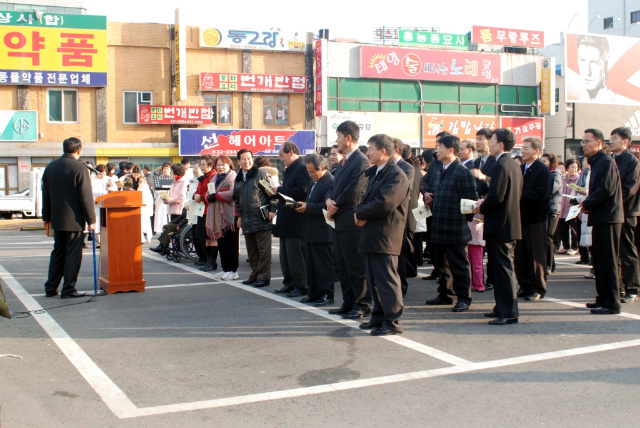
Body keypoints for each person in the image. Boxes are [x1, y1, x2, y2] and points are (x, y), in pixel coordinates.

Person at [354, 134, 410, 335]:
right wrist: (358, 212)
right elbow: (364, 198)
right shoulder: (376, 172)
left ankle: (393, 322)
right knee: (374, 281)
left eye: (370, 149)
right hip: (371, 234)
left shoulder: (396, 174)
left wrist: (361, 213)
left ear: (383, 151)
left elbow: (385, 203)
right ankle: (378, 317)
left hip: (385, 235)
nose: (367, 152)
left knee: (387, 280)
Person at [424, 134, 478, 312]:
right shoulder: (440, 169)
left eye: (440, 146)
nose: (437, 150)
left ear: (451, 150)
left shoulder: (462, 172)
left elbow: (471, 202)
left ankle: (464, 298)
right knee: (441, 263)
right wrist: (427, 195)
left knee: (459, 265)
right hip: (439, 224)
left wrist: (463, 221)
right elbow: (431, 187)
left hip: (455, 227)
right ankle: (445, 294)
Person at [473, 128, 522, 325]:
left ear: (500, 144)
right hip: (505, 223)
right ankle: (501, 307)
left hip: (502, 224)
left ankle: (508, 311)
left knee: (503, 271)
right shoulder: (511, 164)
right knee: (500, 269)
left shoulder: (502, 164)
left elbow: (496, 197)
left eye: (491, 140)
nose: (489, 144)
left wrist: (480, 206)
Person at [325, 120, 371, 319]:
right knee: (342, 265)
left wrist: (334, 204)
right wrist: (328, 200)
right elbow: (334, 187)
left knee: (355, 266)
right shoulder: (344, 161)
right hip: (338, 219)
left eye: (339, 136)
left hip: (350, 219)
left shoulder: (360, 161)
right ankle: (348, 302)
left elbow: (354, 191)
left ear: (348, 138)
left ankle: (361, 304)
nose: (337, 140)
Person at [42, 137, 97, 299]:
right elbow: (85, 196)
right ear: (79, 150)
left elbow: (45, 193)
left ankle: (50, 287)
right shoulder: (79, 168)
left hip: (57, 218)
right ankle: (68, 289)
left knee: (58, 252)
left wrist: (47, 217)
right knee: (73, 254)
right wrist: (91, 220)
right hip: (74, 219)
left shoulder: (51, 167)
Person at [580, 129, 624, 314]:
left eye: (587, 141)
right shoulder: (597, 162)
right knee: (599, 262)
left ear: (598, 143)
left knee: (608, 262)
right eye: (582, 141)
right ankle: (602, 298)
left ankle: (612, 303)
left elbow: (605, 189)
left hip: (609, 218)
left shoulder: (606, 162)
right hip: (600, 217)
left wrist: (587, 204)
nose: (583, 144)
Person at [269, 141, 311, 298]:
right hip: (286, 218)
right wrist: (276, 192)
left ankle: (301, 285)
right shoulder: (290, 169)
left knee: (295, 255)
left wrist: (280, 190)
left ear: (291, 152)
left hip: (296, 219)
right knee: (285, 255)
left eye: (282, 155)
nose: (280, 159)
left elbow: (303, 191)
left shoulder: (301, 167)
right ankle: (289, 282)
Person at [514, 138, 553, 301]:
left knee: (536, 255)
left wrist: (521, 195)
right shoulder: (521, 168)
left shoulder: (542, 170)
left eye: (527, 148)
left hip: (536, 218)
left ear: (537, 151)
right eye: (522, 148)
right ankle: (525, 285)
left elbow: (542, 194)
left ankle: (538, 287)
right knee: (520, 255)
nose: (523, 151)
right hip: (520, 217)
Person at [294, 154, 335, 306]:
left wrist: (307, 207)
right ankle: (314, 292)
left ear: (322, 168)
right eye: (308, 171)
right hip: (310, 230)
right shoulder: (314, 182)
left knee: (323, 265)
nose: (310, 175)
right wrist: (303, 204)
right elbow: (312, 201)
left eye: (312, 171)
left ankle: (326, 294)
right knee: (311, 265)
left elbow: (326, 206)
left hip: (323, 231)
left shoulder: (330, 182)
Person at [234, 149, 276, 287]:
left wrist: (272, 210)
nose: (247, 161)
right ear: (238, 161)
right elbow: (237, 199)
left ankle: (264, 277)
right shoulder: (239, 178)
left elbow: (272, 194)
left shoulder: (261, 174)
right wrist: (239, 215)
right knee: (251, 250)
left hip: (261, 217)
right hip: (246, 219)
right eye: (243, 159)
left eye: (249, 158)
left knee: (264, 250)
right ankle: (255, 274)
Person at [609, 127, 640, 303]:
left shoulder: (631, 161)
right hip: (612, 212)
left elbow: (630, 189)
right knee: (614, 252)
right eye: (610, 138)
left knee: (627, 250)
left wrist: (613, 202)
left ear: (625, 142)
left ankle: (632, 288)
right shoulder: (610, 159)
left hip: (627, 211)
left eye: (615, 138)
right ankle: (618, 287)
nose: (611, 141)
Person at [207, 155, 239, 280]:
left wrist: (216, 196)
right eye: (218, 165)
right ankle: (225, 268)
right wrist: (207, 197)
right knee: (222, 244)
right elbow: (208, 193)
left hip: (230, 216)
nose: (220, 167)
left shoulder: (233, 177)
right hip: (218, 217)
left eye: (223, 164)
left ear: (229, 165)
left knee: (231, 244)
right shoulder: (214, 178)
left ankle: (233, 270)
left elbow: (233, 193)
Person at [391, 138, 415, 296]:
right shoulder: (385, 167)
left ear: (396, 150)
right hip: (387, 219)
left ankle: (402, 287)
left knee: (401, 253)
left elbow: (403, 191)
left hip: (400, 216)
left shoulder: (407, 168)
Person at [541, 152, 563, 274]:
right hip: (545, 208)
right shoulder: (546, 173)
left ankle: (549, 265)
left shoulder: (556, 173)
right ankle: (551, 263)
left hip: (553, 209)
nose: (542, 163)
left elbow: (553, 188)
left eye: (545, 161)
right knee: (545, 236)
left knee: (548, 236)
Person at [193, 155, 217, 270]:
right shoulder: (204, 177)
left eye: (203, 164)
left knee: (211, 237)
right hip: (202, 210)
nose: (201, 167)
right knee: (205, 237)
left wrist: (201, 197)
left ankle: (213, 261)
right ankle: (208, 260)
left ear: (210, 165)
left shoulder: (213, 176)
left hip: (210, 210)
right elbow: (196, 191)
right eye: (200, 164)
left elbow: (212, 193)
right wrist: (196, 195)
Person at [557, 159, 580, 255]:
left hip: (572, 208)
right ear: (567, 168)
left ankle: (574, 247)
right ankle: (566, 246)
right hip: (562, 207)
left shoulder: (577, 179)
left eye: (576, 168)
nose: (574, 169)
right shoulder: (562, 178)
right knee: (563, 228)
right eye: (572, 167)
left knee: (573, 229)